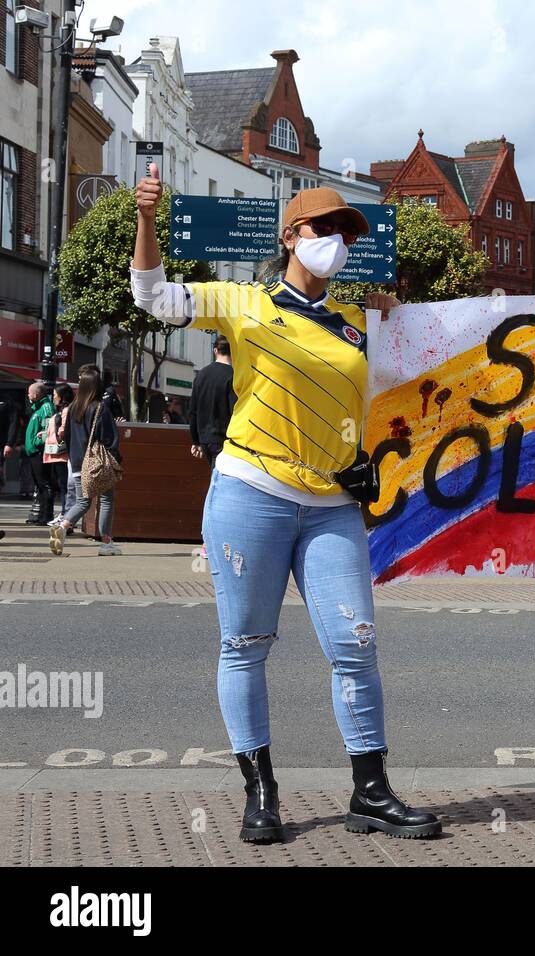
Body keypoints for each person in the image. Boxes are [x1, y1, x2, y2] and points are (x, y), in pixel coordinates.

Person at [130, 163, 440, 844]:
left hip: (331, 506)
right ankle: (261, 793)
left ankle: (371, 792)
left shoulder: (359, 321)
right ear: (293, 235)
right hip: (251, 494)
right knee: (245, 646)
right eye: (325, 227)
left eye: (346, 233)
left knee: (356, 645)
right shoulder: (243, 303)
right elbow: (151, 296)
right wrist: (148, 219)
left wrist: (395, 319)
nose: (338, 241)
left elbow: (407, 390)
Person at [50, 366, 122, 556]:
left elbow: (68, 436)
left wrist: (74, 460)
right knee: (106, 500)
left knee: (83, 502)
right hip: (97, 464)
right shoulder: (100, 408)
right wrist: (117, 458)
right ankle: (106, 543)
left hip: (77, 463)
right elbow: (109, 438)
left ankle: (63, 527)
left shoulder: (72, 408)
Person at [189, 335, 235, 468]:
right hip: (225, 440)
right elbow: (234, 411)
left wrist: (196, 441)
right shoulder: (233, 375)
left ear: (215, 351)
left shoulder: (201, 374)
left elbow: (193, 411)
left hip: (205, 439)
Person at [22, 383, 57, 526]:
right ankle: (42, 515)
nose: (28, 396)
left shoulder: (46, 408)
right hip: (34, 453)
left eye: (29, 393)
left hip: (39, 452)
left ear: (36, 394)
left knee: (44, 484)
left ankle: (46, 516)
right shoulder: (38, 407)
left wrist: (37, 443)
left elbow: (48, 428)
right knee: (40, 484)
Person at [43, 384, 73, 526]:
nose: (53, 397)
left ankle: (65, 516)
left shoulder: (66, 410)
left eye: (55, 395)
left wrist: (58, 435)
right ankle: (64, 514)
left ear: (62, 396)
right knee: (62, 485)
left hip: (61, 454)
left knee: (64, 486)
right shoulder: (62, 410)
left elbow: (63, 430)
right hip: (58, 453)